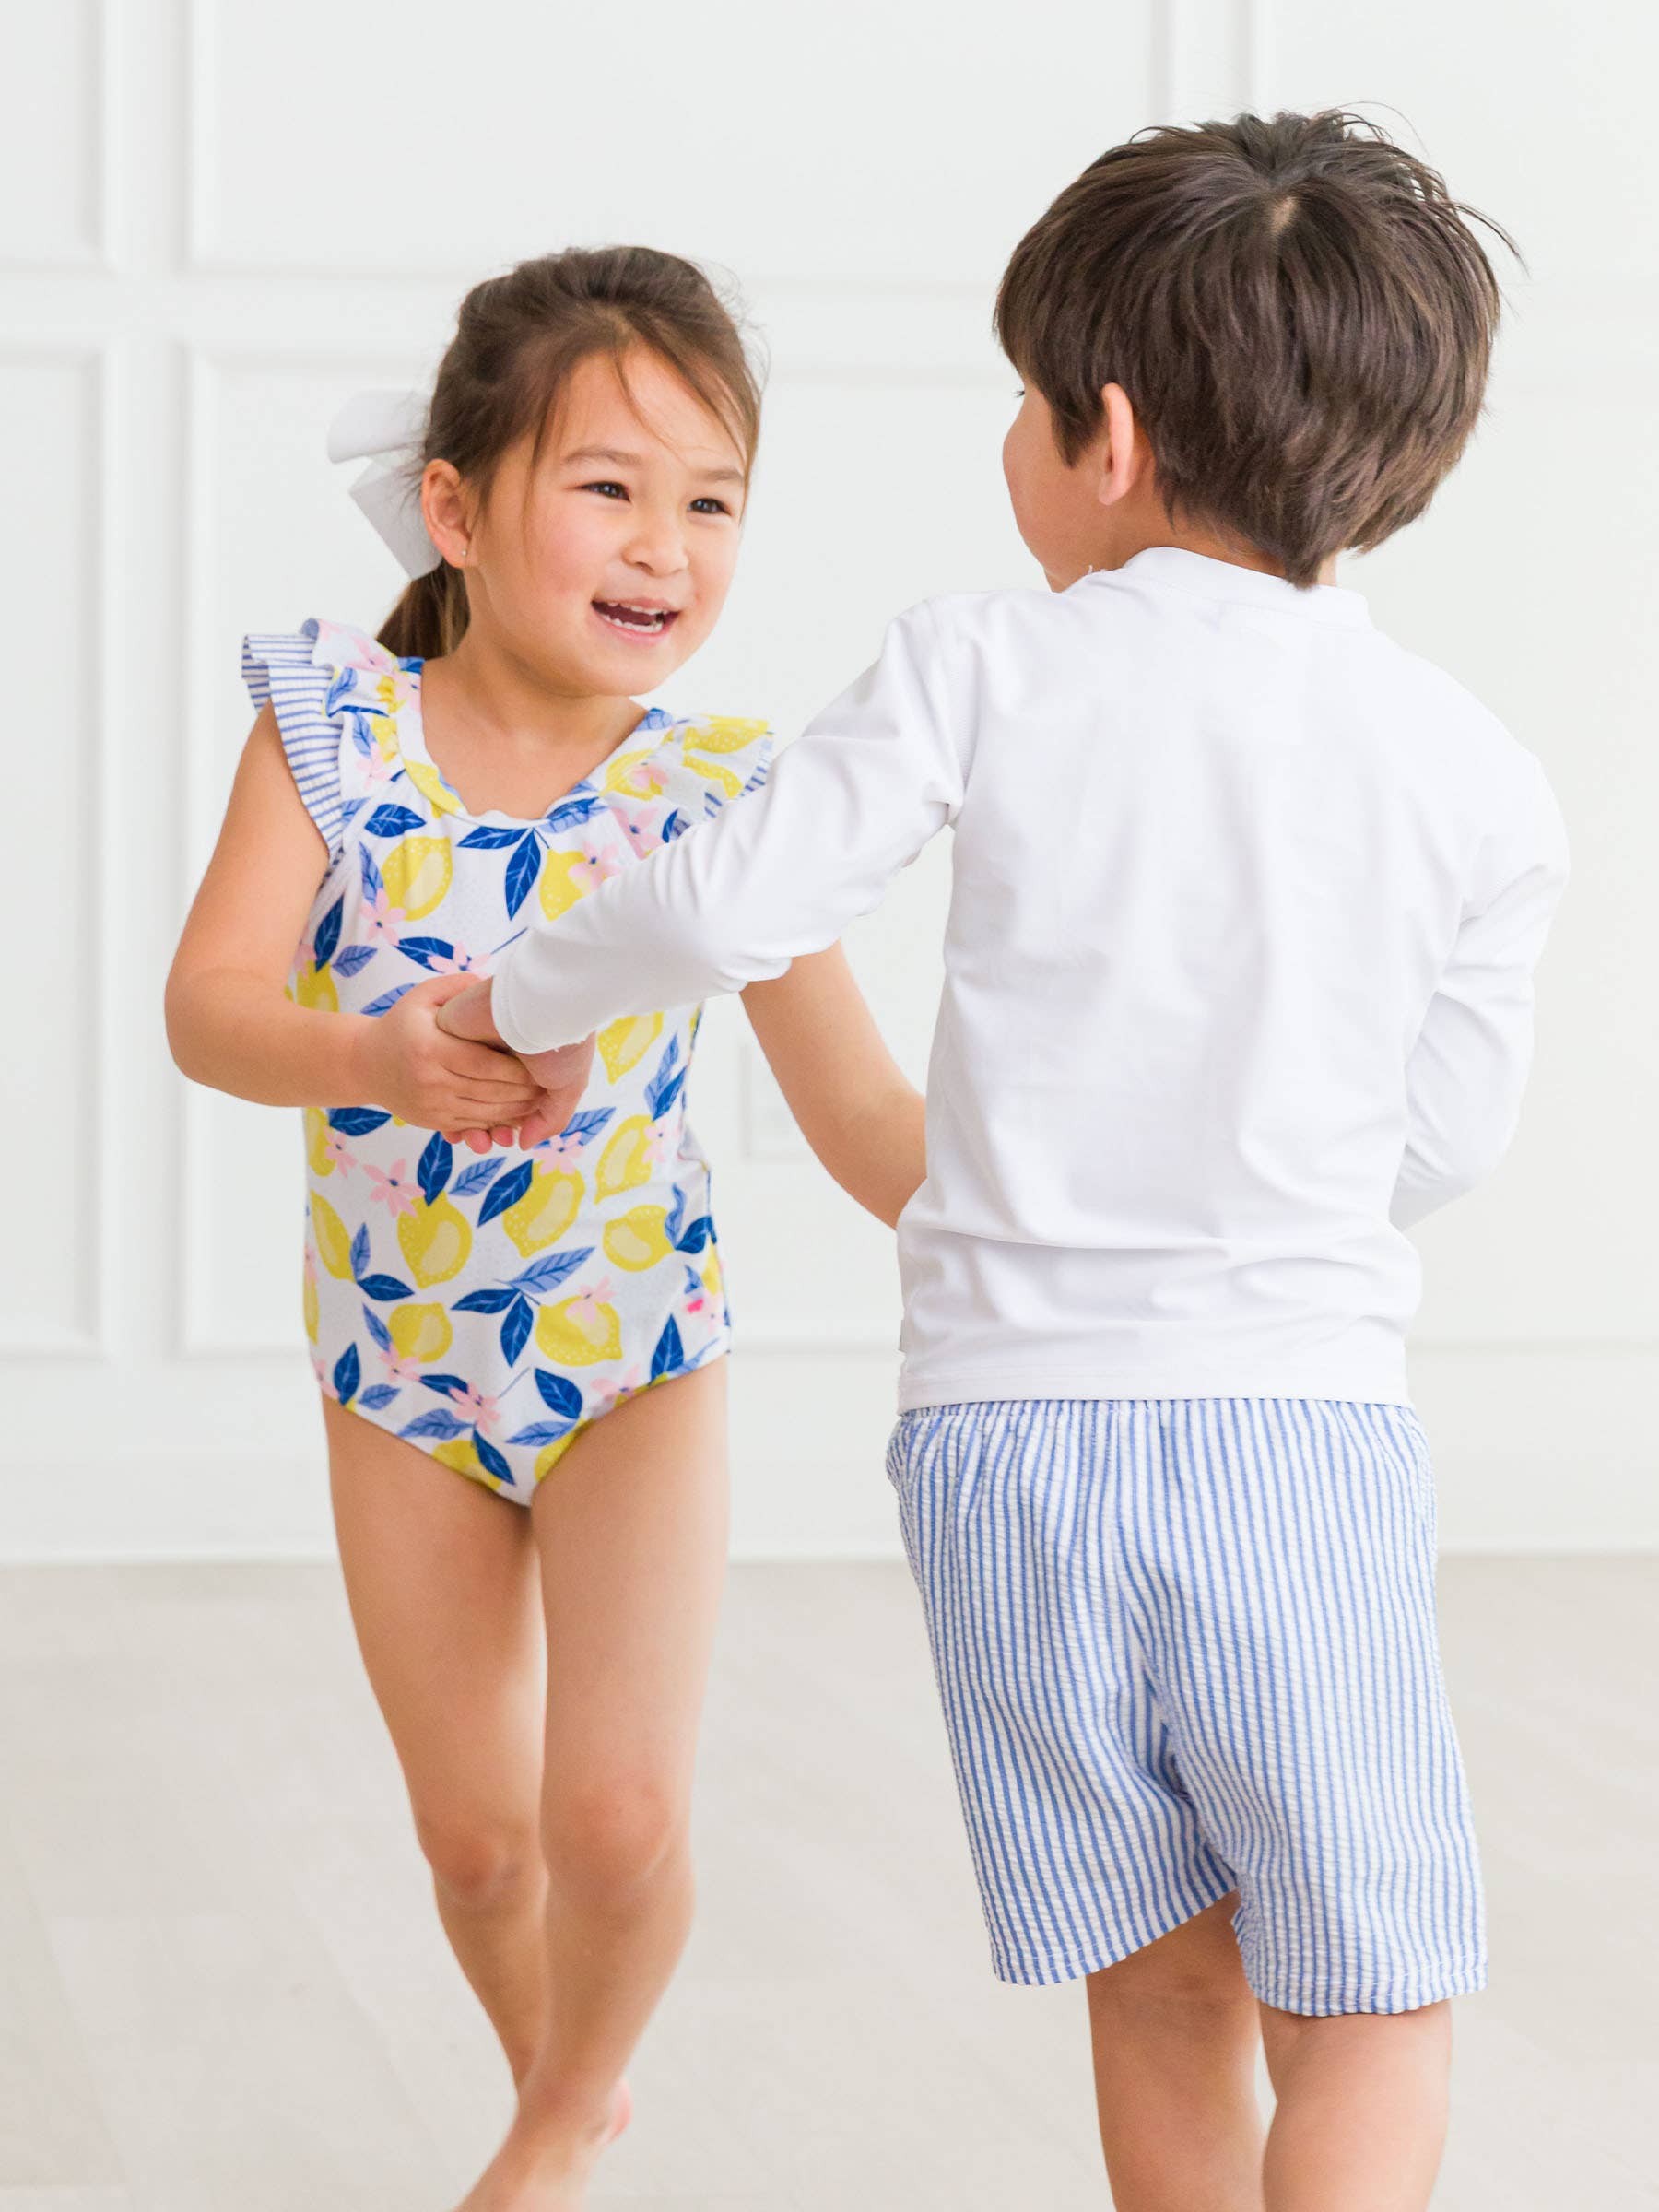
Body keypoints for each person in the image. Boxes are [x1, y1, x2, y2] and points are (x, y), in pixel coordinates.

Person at [437, 115, 1570, 2212]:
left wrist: (513, 1001)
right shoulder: (1478, 778)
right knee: (1374, 1999)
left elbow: (713, 909)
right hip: (1283, 1440)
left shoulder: (983, 664)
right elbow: (1445, 1140)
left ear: (1106, 437)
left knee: (1152, 1982)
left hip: (1001, 1452)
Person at [163, 244, 923, 2212]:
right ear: (458, 509)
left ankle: (557, 2129)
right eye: (609, 485)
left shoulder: (721, 796)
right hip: (399, 1368)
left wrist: (1080, 1221)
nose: (664, 543)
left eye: (711, 500)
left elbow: (860, 1114)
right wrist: (381, 1057)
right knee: (478, 1845)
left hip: (630, 1357)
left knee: (618, 1810)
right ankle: (560, 2096)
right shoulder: (336, 728)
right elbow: (210, 1007)